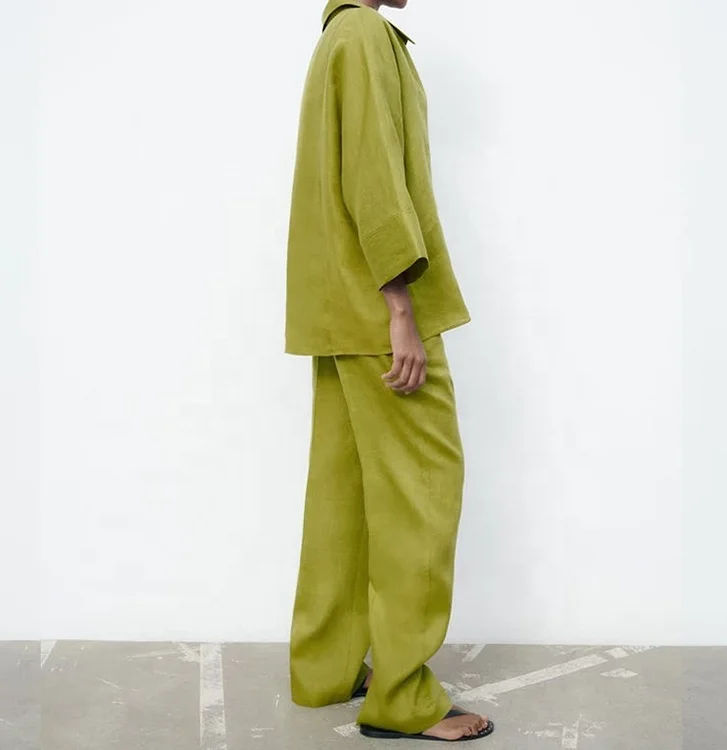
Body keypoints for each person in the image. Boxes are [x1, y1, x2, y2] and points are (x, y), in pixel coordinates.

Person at [284, 0, 494, 741]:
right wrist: (400, 307)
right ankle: (403, 694)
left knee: (342, 496)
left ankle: (327, 665)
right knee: (422, 492)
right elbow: (372, 175)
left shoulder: (338, 37)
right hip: (380, 308)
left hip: (338, 306)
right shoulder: (367, 34)